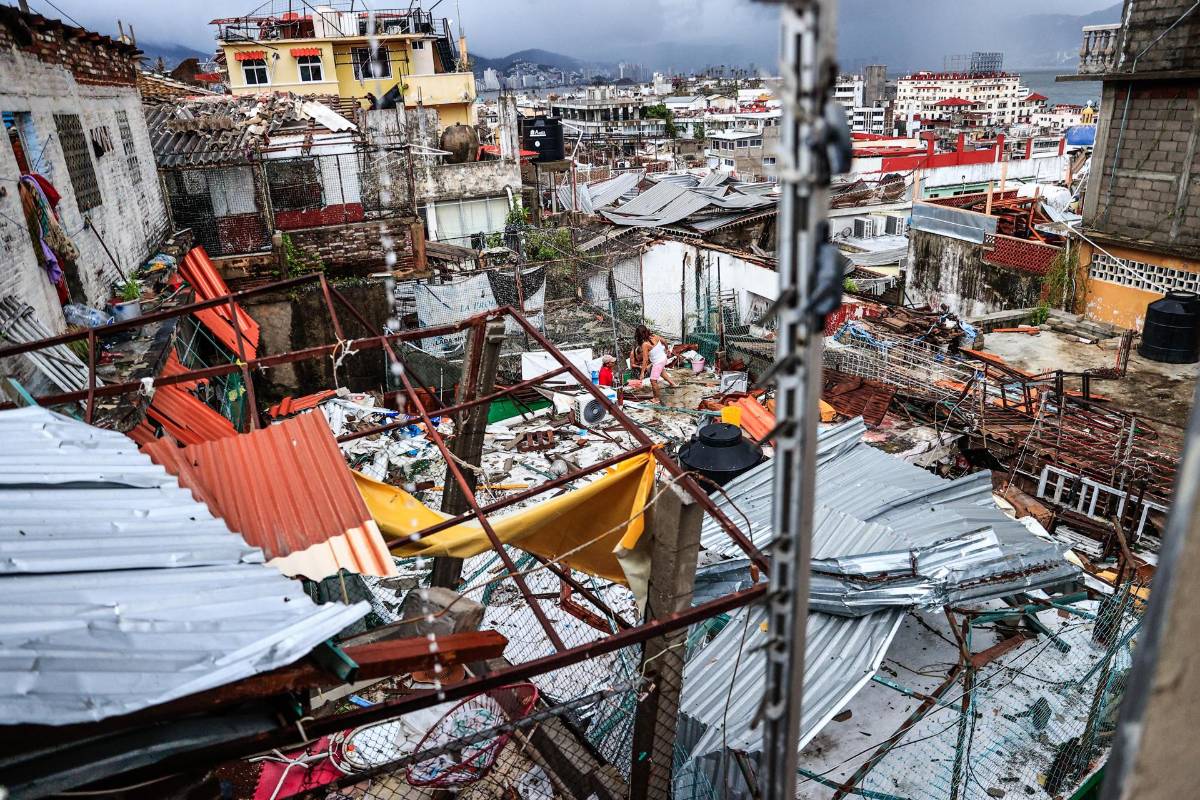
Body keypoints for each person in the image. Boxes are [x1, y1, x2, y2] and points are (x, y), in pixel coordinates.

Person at [632, 325, 676, 402]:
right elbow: (664, 341)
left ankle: (656, 398)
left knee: (653, 380)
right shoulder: (654, 336)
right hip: (663, 358)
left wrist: (642, 373)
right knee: (662, 372)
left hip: (658, 362)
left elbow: (645, 360)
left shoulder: (645, 344)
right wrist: (667, 349)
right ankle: (673, 384)